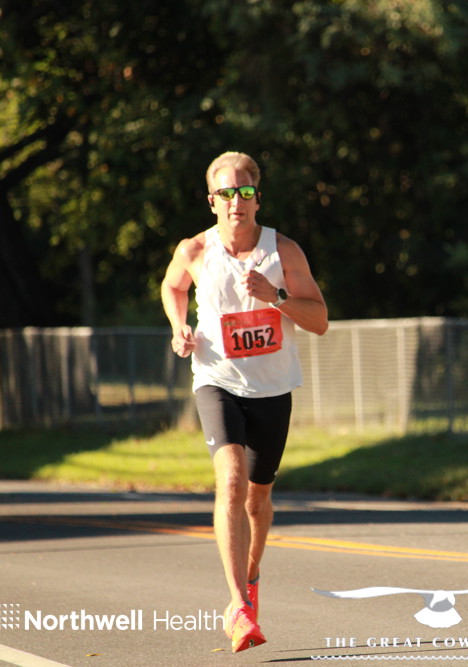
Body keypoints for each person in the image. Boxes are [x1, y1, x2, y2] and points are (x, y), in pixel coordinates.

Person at [161, 151, 329, 653]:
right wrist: (179, 326)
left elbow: (320, 320)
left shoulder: (284, 252)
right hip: (216, 379)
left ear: (258, 199)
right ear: (212, 201)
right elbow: (172, 286)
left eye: (246, 191)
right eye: (227, 193)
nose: (237, 201)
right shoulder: (194, 249)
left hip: (272, 389)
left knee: (258, 498)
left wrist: (276, 296)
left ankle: (251, 576)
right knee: (231, 482)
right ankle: (238, 606)